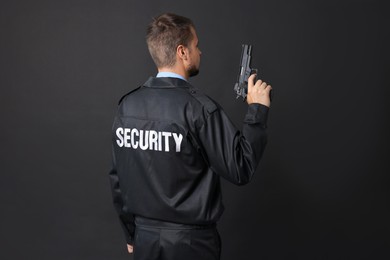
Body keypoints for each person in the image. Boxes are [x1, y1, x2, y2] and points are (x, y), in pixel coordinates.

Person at [109, 13, 272, 260]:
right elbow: (241, 167)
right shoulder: (199, 109)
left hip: (145, 240)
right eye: (196, 45)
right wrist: (257, 110)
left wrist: (131, 234)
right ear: (182, 52)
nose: (200, 52)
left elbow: (118, 179)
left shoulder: (126, 106)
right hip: (190, 245)